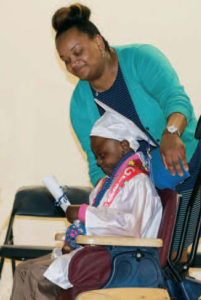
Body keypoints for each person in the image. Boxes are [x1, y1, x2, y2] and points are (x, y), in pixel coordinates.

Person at [52, 2, 201, 261]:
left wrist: (171, 132)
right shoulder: (80, 104)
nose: (73, 64)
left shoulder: (141, 59)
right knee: (135, 242)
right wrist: (102, 203)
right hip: (134, 180)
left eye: (77, 52)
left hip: (178, 154)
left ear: (99, 43)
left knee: (170, 248)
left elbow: (177, 101)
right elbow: (96, 164)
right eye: (66, 60)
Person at [10, 105, 162, 299]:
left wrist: (84, 214)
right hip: (96, 253)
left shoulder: (138, 182)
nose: (98, 162)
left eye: (102, 154)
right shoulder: (104, 186)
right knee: (23, 270)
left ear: (124, 146)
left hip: (122, 260)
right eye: (96, 156)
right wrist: (74, 240)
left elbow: (131, 227)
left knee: (39, 277)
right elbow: (99, 226)